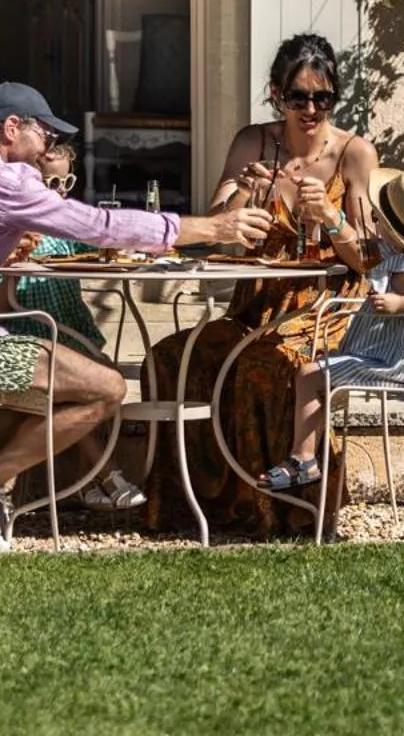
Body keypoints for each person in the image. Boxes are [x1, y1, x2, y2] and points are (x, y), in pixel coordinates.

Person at [0, 82, 270, 554]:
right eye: (42, 134)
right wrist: (206, 227)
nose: (44, 151)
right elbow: (96, 227)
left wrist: (1, 244)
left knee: (55, 376)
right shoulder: (3, 179)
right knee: (105, 387)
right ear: (11, 128)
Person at [142, 33, 379, 538]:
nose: (311, 109)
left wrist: (332, 218)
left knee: (261, 365)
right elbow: (215, 233)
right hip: (256, 306)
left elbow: (367, 257)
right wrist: (246, 191)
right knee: (170, 359)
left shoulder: (355, 154)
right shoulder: (254, 142)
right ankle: (191, 504)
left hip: (326, 309)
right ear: (277, 94)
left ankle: (282, 511)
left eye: (323, 97)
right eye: (299, 97)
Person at [263, 168, 404, 491]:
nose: (374, 221)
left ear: (392, 228)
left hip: (394, 365)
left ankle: (304, 458)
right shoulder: (395, 254)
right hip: (381, 355)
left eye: (378, 218)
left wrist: (400, 304)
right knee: (312, 369)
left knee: (309, 375)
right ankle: (307, 450)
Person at [0, 142, 147, 513]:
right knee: (74, 388)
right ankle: (107, 474)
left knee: (102, 376)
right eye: (50, 183)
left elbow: (94, 245)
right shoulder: (14, 230)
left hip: (69, 326)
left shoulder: (63, 228)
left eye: (67, 182)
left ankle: (88, 481)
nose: (60, 191)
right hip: (28, 329)